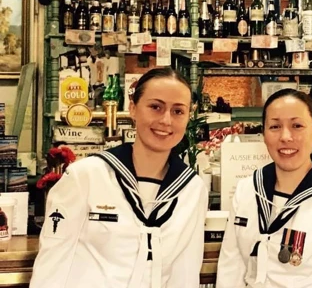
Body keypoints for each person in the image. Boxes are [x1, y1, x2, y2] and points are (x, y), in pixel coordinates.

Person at [30, 67, 208, 288]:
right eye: (155, 107)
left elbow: (186, 271)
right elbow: (52, 264)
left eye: (178, 111)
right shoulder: (87, 175)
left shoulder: (192, 188)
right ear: (133, 109)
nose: (166, 120)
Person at [217, 89, 312, 288]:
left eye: (297, 126)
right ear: (263, 133)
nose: (285, 136)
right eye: (274, 126)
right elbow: (230, 270)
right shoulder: (247, 190)